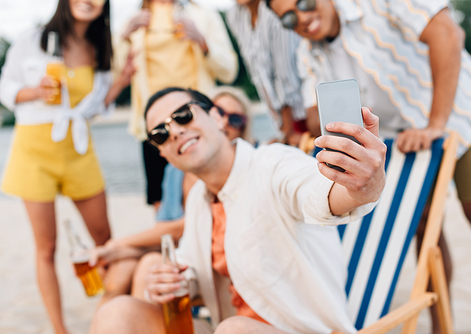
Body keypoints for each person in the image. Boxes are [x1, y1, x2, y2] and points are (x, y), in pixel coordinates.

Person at [266, 0, 471, 332]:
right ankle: (441, 327)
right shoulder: (309, 54)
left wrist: (435, 124)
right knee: (423, 228)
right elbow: (317, 114)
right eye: (289, 17)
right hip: (402, 138)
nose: (302, 17)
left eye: (305, 3)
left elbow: (448, 34)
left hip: (459, 115)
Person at [90, 87, 386, 334]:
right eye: (159, 134)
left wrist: (360, 187)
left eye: (182, 115)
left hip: (299, 329)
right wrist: (170, 282)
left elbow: (319, 192)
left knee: (234, 330)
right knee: (118, 313)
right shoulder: (199, 200)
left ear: (218, 118)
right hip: (225, 327)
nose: (176, 131)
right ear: (163, 154)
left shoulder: (272, 164)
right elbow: (191, 271)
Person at [0, 0, 134, 333]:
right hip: (33, 154)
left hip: (78, 151)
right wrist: (33, 92)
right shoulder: (32, 39)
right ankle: (61, 329)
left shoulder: (99, 46)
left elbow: (96, 106)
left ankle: (115, 310)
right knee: (47, 248)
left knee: (105, 239)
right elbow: (5, 86)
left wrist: (123, 80)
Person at [89, 86, 254, 306]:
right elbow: (167, 230)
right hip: (185, 258)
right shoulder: (178, 173)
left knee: (148, 264)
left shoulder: (258, 167)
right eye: (161, 133)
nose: (176, 131)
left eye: (235, 119)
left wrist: (117, 245)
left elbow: (179, 228)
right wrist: (116, 250)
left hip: (203, 265)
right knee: (122, 269)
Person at [116, 0, 238, 210]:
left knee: (215, 200)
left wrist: (203, 42)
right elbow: (117, 74)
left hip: (196, 122)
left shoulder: (204, 16)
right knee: (162, 205)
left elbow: (229, 72)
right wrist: (125, 36)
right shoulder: (133, 22)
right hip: (157, 131)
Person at [225, 0, 307, 146]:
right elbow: (257, 74)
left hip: (303, 113)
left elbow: (285, 74)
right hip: (279, 121)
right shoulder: (234, 15)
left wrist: (288, 132)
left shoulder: (277, 7)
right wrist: (280, 129)